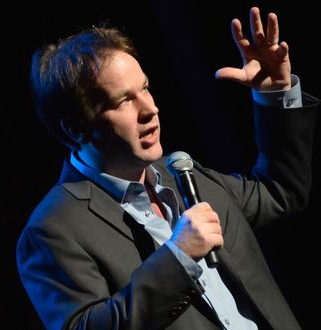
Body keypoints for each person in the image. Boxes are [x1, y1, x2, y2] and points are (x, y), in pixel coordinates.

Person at [16, 6, 318, 330]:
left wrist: (275, 93)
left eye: (144, 88)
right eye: (123, 101)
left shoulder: (183, 173)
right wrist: (179, 258)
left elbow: (280, 191)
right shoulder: (53, 231)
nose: (151, 109)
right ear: (76, 128)